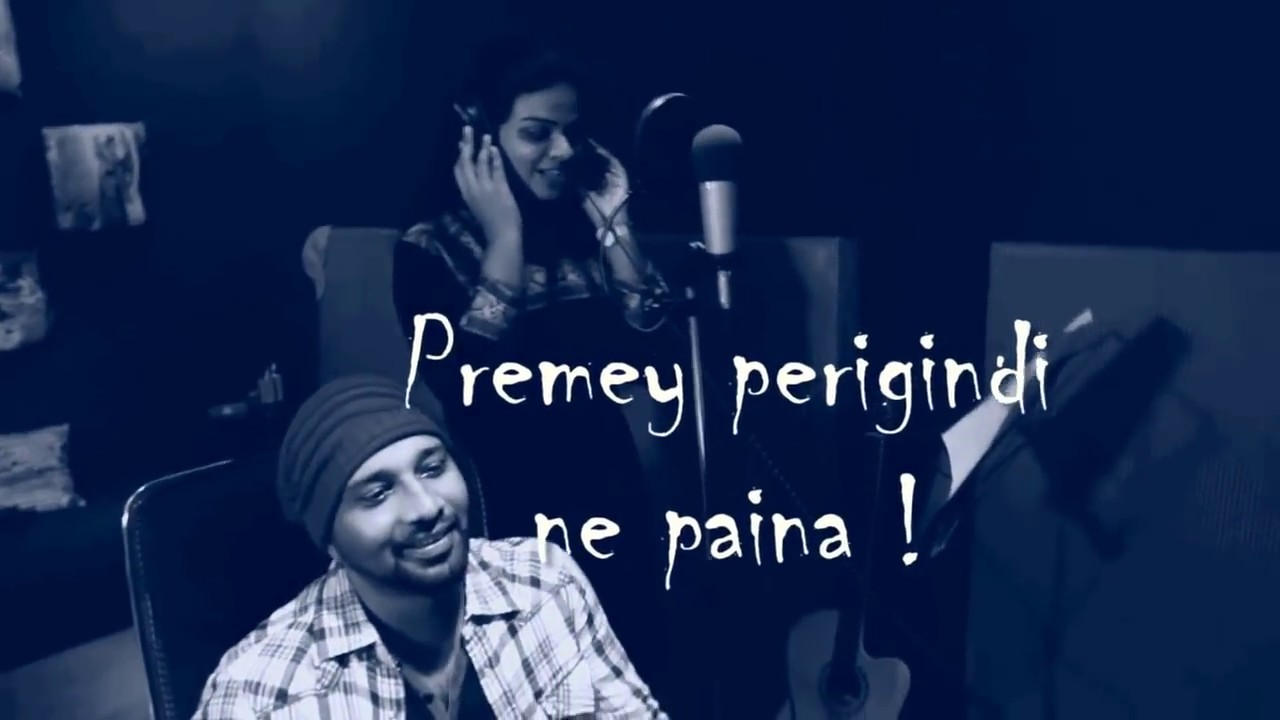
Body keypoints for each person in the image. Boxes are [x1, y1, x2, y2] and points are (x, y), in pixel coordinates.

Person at [391, 36, 674, 682]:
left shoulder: (582, 228)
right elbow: (472, 390)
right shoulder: (429, 249)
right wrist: (505, 240)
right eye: (538, 133)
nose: (565, 151)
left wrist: (616, 227)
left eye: (572, 132)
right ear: (479, 133)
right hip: (512, 506)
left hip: (613, 490)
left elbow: (657, 354)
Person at [193, 374, 666, 719]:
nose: (426, 506)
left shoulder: (544, 582)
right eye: (378, 494)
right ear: (330, 540)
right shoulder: (259, 693)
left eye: (432, 468)